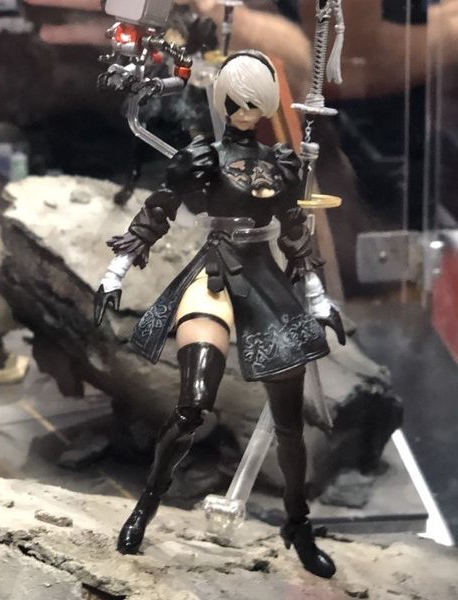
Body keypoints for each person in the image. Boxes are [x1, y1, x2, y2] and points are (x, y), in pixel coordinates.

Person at [94, 50, 345, 579]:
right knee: (192, 406)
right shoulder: (202, 156)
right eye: (239, 102)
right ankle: (145, 506)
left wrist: (319, 297)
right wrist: (115, 272)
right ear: (224, 100)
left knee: (289, 424)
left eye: (256, 103)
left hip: (264, 280)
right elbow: (158, 210)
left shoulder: (280, 162)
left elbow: (295, 232)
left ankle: (297, 524)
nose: (246, 112)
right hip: (212, 277)